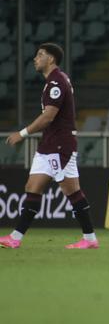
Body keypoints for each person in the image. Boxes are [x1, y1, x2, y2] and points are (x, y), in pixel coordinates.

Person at [1, 44, 98, 250]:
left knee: (71, 191)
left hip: (60, 145)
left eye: (40, 55)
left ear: (51, 59)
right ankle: (15, 238)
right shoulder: (53, 82)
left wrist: (23, 133)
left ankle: (89, 239)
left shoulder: (57, 82)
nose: (36, 58)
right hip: (49, 144)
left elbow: (48, 117)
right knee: (32, 187)